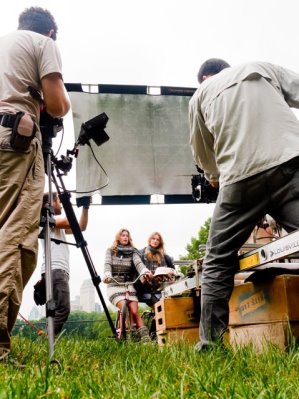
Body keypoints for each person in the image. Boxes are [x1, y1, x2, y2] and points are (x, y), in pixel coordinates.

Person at [189, 58, 299, 350]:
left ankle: (210, 345)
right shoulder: (261, 68)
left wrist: (214, 178)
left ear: (204, 78)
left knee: (217, 261)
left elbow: (202, 152)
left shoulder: (200, 94)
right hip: (288, 164)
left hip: (238, 179)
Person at [0, 7, 70, 361]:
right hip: (15, 141)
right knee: (15, 239)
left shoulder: (4, 44)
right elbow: (58, 105)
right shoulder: (43, 43)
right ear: (51, 32)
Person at [39, 192, 89, 335]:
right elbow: (69, 221)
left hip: (57, 270)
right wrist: (67, 202)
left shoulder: (54, 223)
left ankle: (49, 339)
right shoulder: (46, 220)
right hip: (55, 269)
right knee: (63, 308)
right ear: (49, 204)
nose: (61, 204)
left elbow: (80, 227)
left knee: (56, 309)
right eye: (59, 201)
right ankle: (49, 340)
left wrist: (85, 207)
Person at [103, 228, 152, 342]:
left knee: (134, 311)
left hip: (129, 284)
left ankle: (146, 339)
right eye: (123, 235)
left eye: (127, 235)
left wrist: (144, 271)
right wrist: (107, 274)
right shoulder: (111, 250)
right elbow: (107, 264)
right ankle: (123, 336)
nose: (125, 237)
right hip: (114, 284)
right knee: (123, 305)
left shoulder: (133, 251)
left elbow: (139, 263)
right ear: (118, 237)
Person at [138, 232, 175, 307]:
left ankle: (156, 317)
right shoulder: (141, 253)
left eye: (157, 240)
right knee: (159, 308)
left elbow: (172, 272)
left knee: (166, 308)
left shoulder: (164, 257)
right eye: (153, 239)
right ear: (150, 240)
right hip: (145, 289)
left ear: (160, 242)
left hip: (160, 289)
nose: (155, 241)